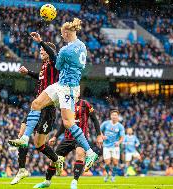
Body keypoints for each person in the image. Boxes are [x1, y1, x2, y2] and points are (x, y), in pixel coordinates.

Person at [8, 17, 99, 171]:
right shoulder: (82, 46)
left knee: (68, 123)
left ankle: (90, 152)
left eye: (62, 34)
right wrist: (42, 43)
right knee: (36, 103)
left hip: (69, 88)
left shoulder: (65, 50)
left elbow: (56, 63)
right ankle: (24, 138)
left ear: (66, 33)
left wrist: (41, 42)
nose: (61, 36)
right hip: (61, 84)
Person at [10, 41, 62, 185]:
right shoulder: (44, 65)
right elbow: (40, 79)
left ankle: (57, 159)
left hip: (48, 108)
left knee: (39, 145)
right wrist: (28, 73)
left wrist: (41, 41)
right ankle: (22, 170)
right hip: (37, 106)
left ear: (49, 51)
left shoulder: (54, 62)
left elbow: (53, 53)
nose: (41, 51)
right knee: (22, 135)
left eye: (43, 49)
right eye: (40, 49)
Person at [34, 99, 103, 189]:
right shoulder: (66, 105)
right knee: (55, 159)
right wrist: (55, 136)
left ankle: (74, 182)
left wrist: (99, 135)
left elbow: (95, 119)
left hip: (81, 137)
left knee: (80, 154)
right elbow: (64, 124)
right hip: (68, 137)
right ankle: (47, 181)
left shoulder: (85, 104)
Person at [101, 109, 125, 182]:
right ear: (110, 116)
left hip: (115, 147)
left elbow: (122, 137)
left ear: (118, 116)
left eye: (115, 115)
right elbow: (99, 130)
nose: (114, 116)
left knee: (115, 163)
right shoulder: (105, 123)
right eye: (113, 115)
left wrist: (119, 142)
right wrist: (102, 136)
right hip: (106, 146)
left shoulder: (120, 126)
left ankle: (113, 176)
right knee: (107, 163)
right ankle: (108, 174)